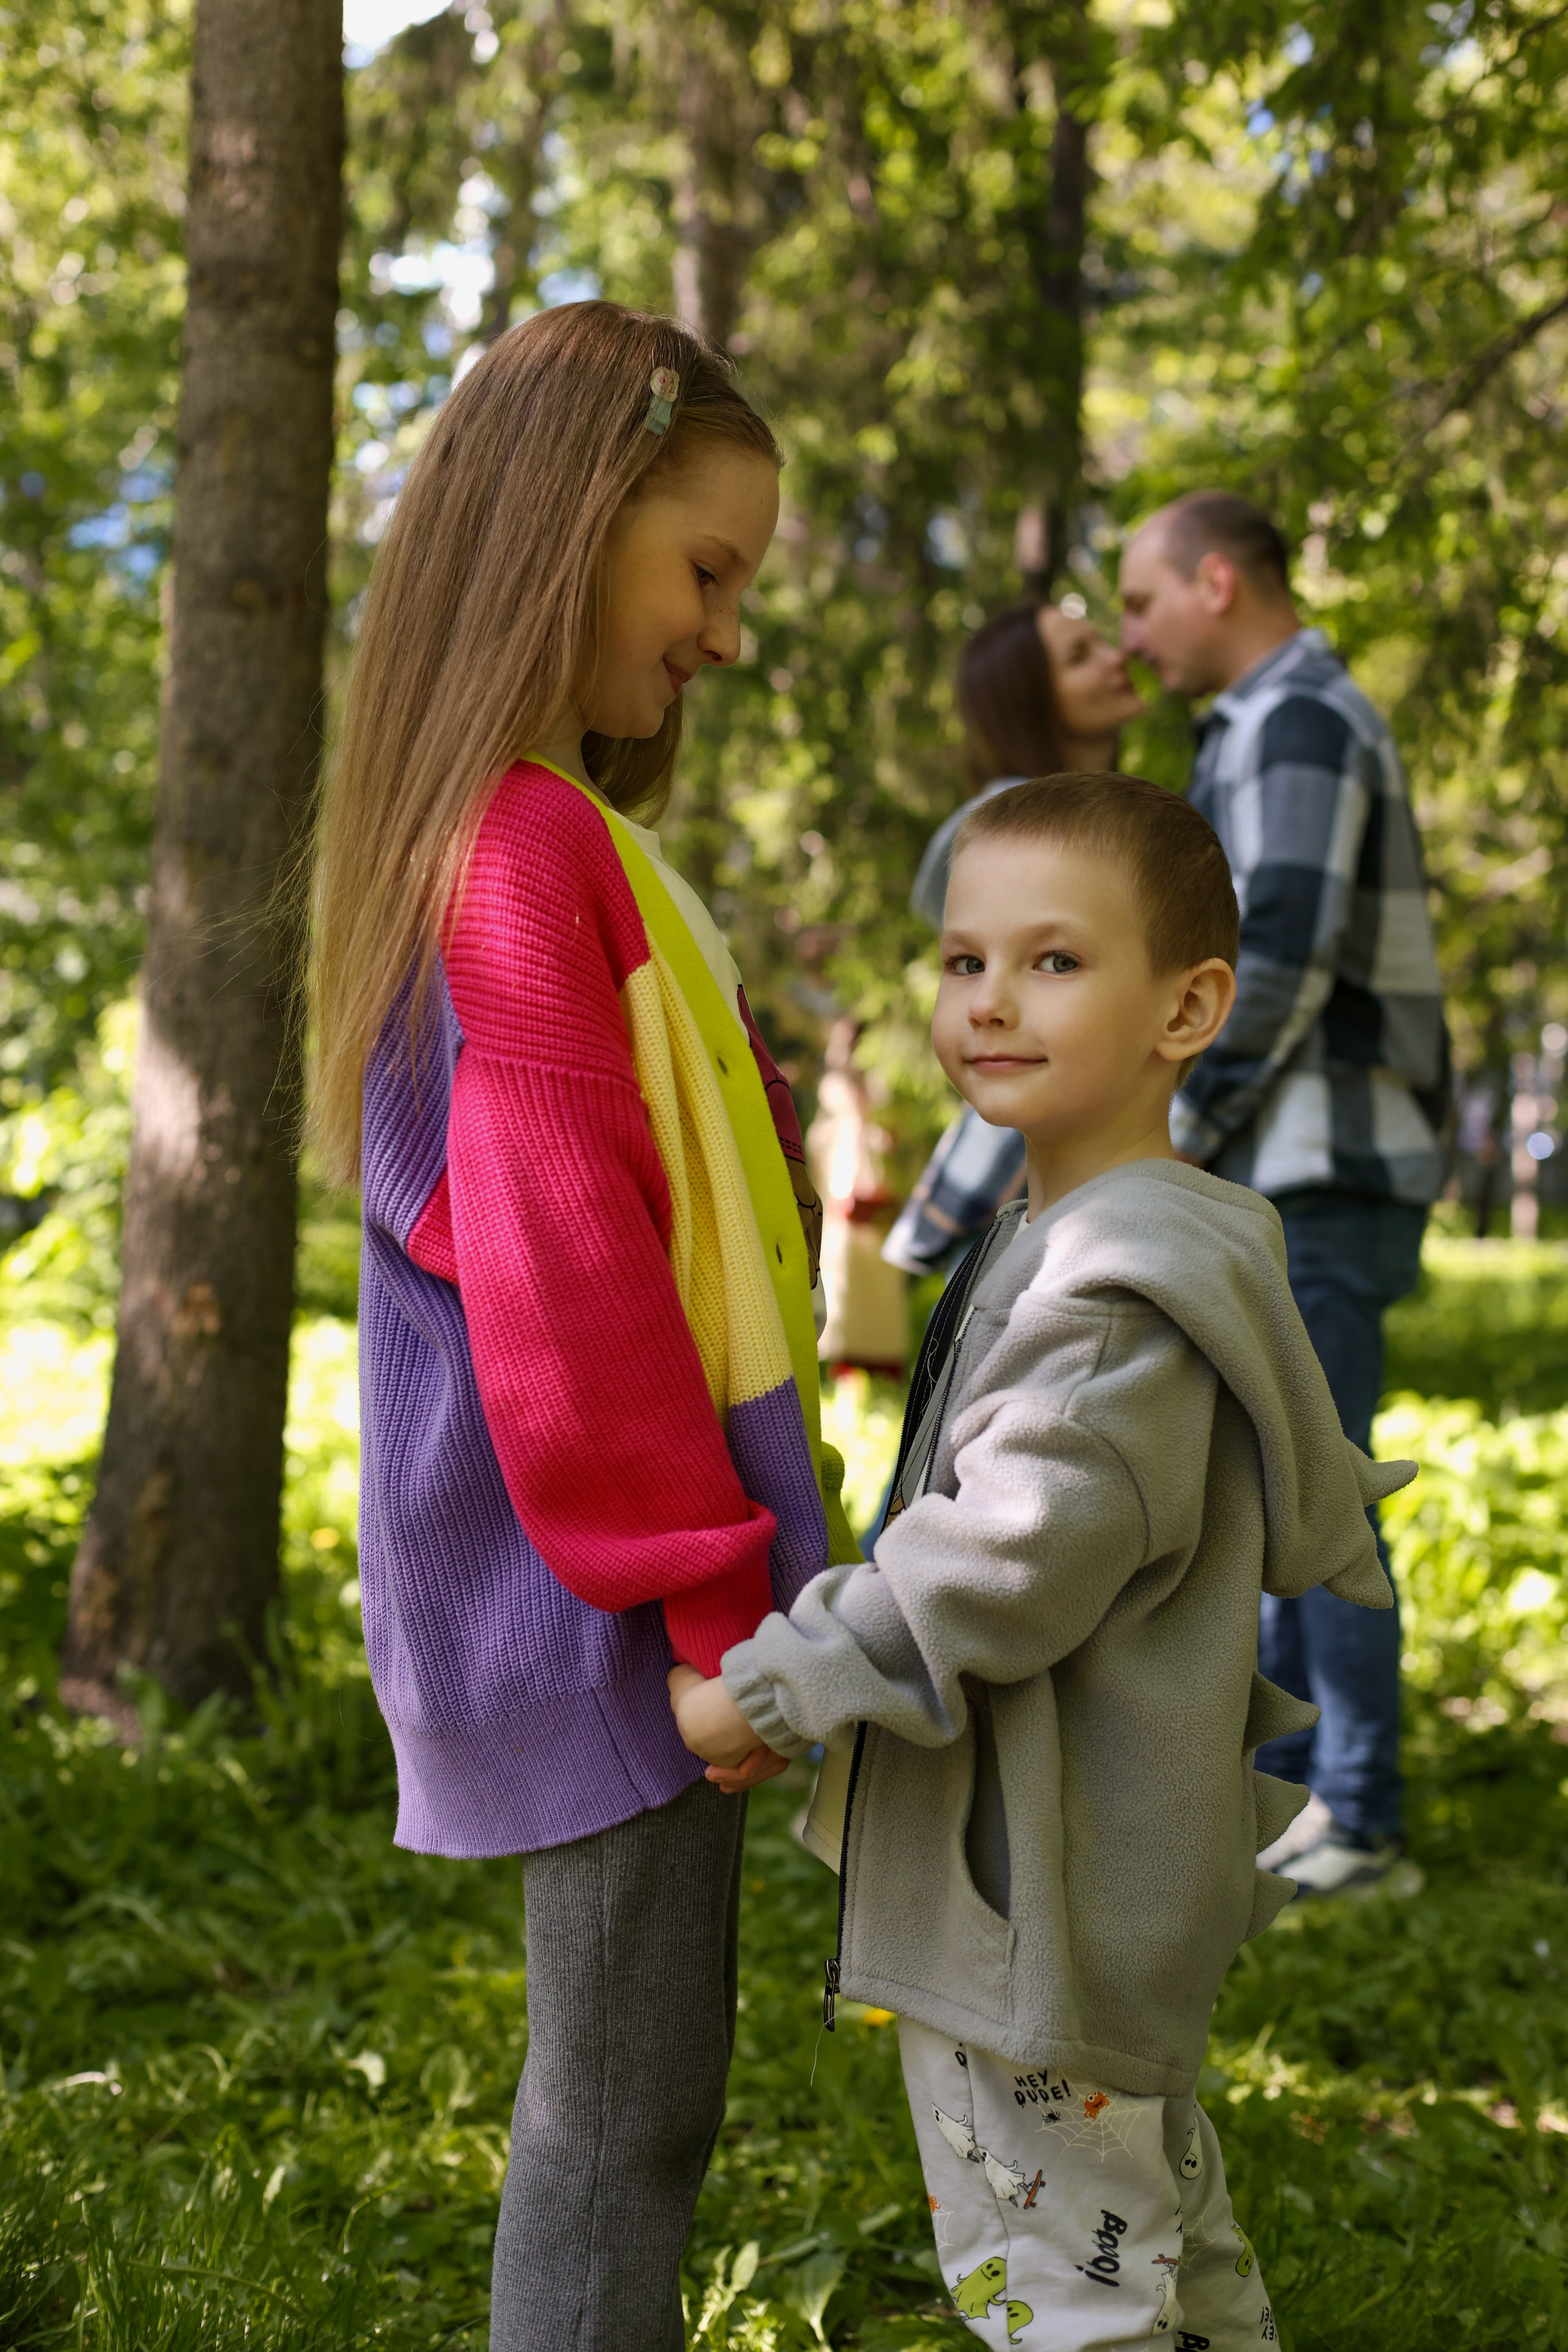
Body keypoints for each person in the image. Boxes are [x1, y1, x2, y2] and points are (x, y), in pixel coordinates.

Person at [670, 772, 1413, 2350]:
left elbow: (989, 1564)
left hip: (1037, 1906)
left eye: (1052, 960)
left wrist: (770, 1688)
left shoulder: (1109, 1296)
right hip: (1074, 1885)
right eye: (963, 960)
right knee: (1151, 2242)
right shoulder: (1078, 1235)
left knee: (1061, 2287)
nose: (989, 1000)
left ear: (1185, 1007)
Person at [309, 301, 859, 2352]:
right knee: (622, 2122)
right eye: (707, 570)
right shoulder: (523, 853)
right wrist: (716, 1609)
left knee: (629, 2101)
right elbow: (572, 1276)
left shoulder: (518, 829)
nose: (728, 633)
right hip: (613, 1602)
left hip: (606, 1589)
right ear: (572, 518)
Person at [1119, 491, 1449, 1898]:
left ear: (1215, 581)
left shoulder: (1296, 719)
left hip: (1320, 1163)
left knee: (1312, 1491)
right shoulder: (1256, 724)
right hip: (1288, 1167)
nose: (1130, 637)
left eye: (1140, 601)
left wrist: (1175, 1122)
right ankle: (1298, 1795)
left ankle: (1355, 1813)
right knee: (1271, 1488)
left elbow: (1277, 953)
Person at [885, 598, 1145, 1276]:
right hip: (1037, 1190)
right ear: (1027, 697)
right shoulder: (1005, 828)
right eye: (1081, 656)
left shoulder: (1120, 824)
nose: (1118, 656)